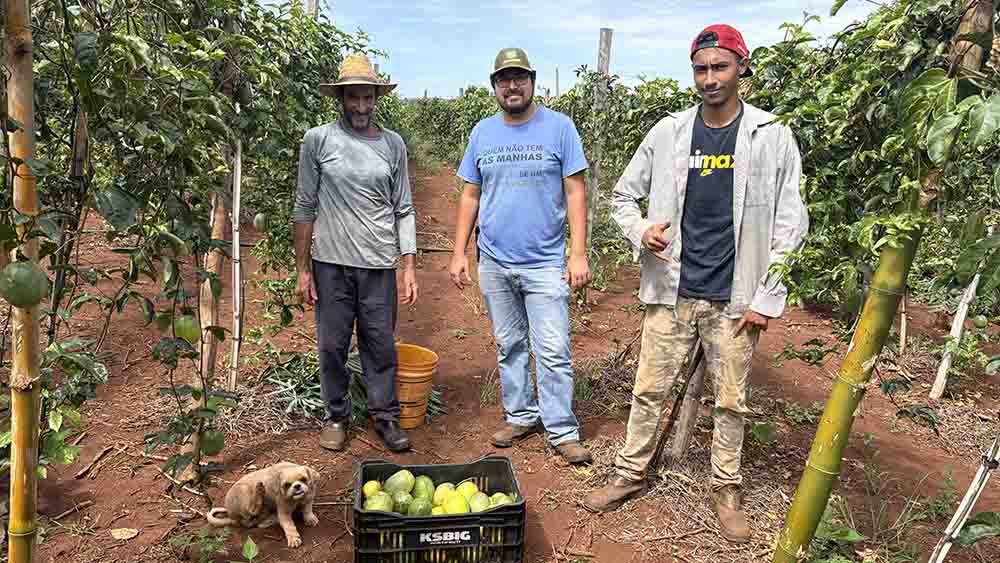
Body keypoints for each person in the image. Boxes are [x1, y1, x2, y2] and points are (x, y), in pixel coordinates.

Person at [582, 25, 809, 544]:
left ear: (741, 69)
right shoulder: (669, 132)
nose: (709, 79)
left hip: (736, 295)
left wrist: (768, 295)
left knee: (732, 400)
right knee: (647, 390)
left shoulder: (770, 135)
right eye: (701, 69)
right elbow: (621, 197)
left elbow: (791, 222)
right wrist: (642, 229)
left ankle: (726, 488)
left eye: (719, 67)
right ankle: (630, 473)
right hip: (672, 290)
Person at [448, 48, 593, 464]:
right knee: (509, 344)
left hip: (546, 262)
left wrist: (577, 252)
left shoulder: (560, 129)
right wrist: (459, 251)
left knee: (553, 349)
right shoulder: (483, 133)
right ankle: (520, 415)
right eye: (503, 79)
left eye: (519, 78)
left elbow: (575, 190)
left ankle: (562, 430)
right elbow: (471, 194)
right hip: (494, 260)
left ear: (532, 81)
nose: (511, 86)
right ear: (495, 86)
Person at [293, 53, 418, 453]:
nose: (361, 107)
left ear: (376, 98)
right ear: (342, 98)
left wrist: (409, 265)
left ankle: (384, 416)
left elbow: (404, 207)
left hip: (379, 263)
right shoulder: (319, 140)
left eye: (368, 98)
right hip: (330, 262)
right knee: (332, 344)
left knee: (379, 343)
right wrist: (303, 269)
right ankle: (335, 415)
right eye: (354, 98)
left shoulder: (392, 144)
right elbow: (304, 205)